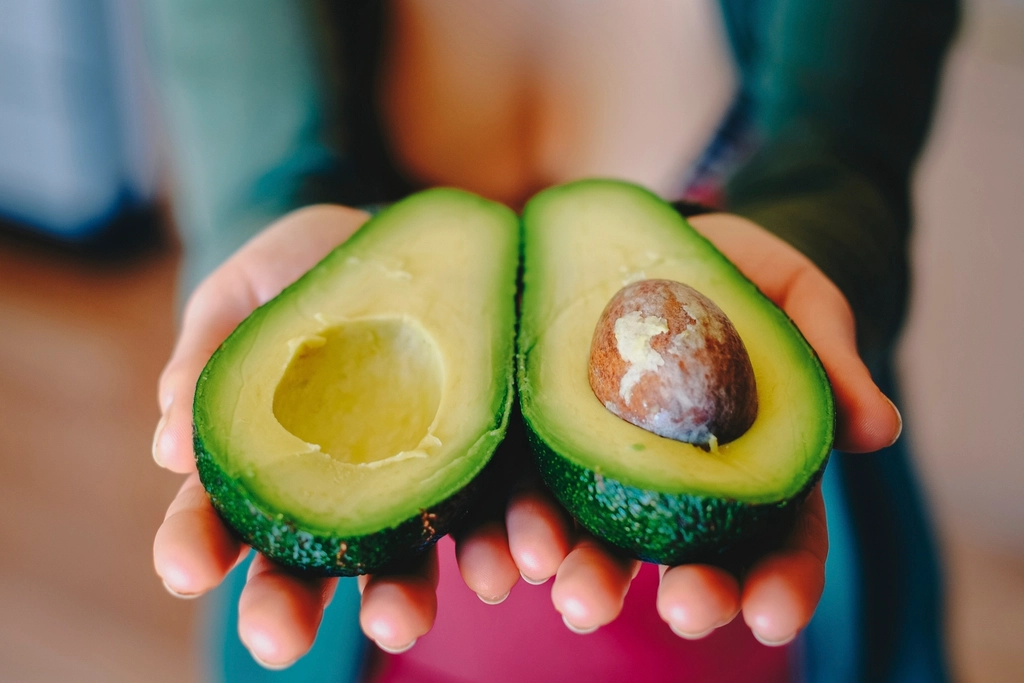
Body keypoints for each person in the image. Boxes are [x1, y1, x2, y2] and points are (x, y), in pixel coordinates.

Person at [145, 1, 957, 680]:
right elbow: (247, 152)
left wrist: (821, 250)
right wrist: (261, 243)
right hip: (369, 620)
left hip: (750, 611)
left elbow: (849, 158)